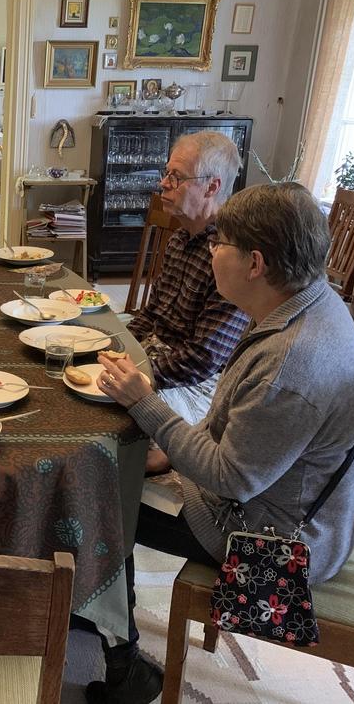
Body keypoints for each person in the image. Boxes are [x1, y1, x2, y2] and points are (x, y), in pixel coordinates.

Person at [86, 183, 354, 704]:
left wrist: (144, 403)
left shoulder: (292, 363)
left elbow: (230, 477)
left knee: (101, 499)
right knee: (123, 468)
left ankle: (125, 667)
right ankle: (93, 603)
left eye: (219, 243)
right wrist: (171, 452)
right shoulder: (308, 305)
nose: (211, 251)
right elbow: (235, 426)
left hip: (277, 548)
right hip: (290, 510)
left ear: (255, 264)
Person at [127, 130, 250, 472]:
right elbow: (151, 314)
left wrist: (139, 374)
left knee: (115, 418)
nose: (164, 184)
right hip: (160, 358)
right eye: (166, 173)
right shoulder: (180, 239)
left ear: (212, 187)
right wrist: (118, 346)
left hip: (198, 383)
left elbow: (204, 359)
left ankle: (174, 455)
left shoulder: (230, 255)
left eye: (177, 177)